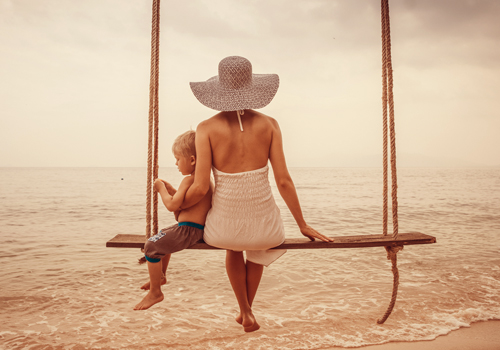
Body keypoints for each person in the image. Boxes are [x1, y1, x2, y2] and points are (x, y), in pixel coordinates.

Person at [179, 56, 334, 331]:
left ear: (219, 91)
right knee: (257, 243)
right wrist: (302, 224)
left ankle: (245, 310)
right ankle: (247, 311)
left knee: (233, 244)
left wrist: (176, 205)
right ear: (251, 87)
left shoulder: (205, 128)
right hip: (267, 230)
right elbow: (283, 180)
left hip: (222, 229)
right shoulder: (270, 124)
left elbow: (201, 187)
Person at [134, 130, 212, 311]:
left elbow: (172, 205)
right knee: (161, 237)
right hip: (192, 228)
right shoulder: (200, 181)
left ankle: (156, 292)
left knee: (151, 246)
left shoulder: (189, 180)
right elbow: (185, 202)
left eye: (178, 159)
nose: (176, 163)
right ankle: (161, 277)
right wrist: (172, 189)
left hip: (189, 230)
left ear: (192, 160)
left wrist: (161, 189)